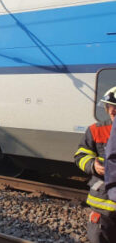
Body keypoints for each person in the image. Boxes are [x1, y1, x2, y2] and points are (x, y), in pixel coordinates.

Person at [75, 87, 116, 243]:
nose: (112, 111)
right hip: (103, 206)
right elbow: (81, 155)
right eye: (109, 106)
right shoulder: (96, 130)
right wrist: (92, 164)